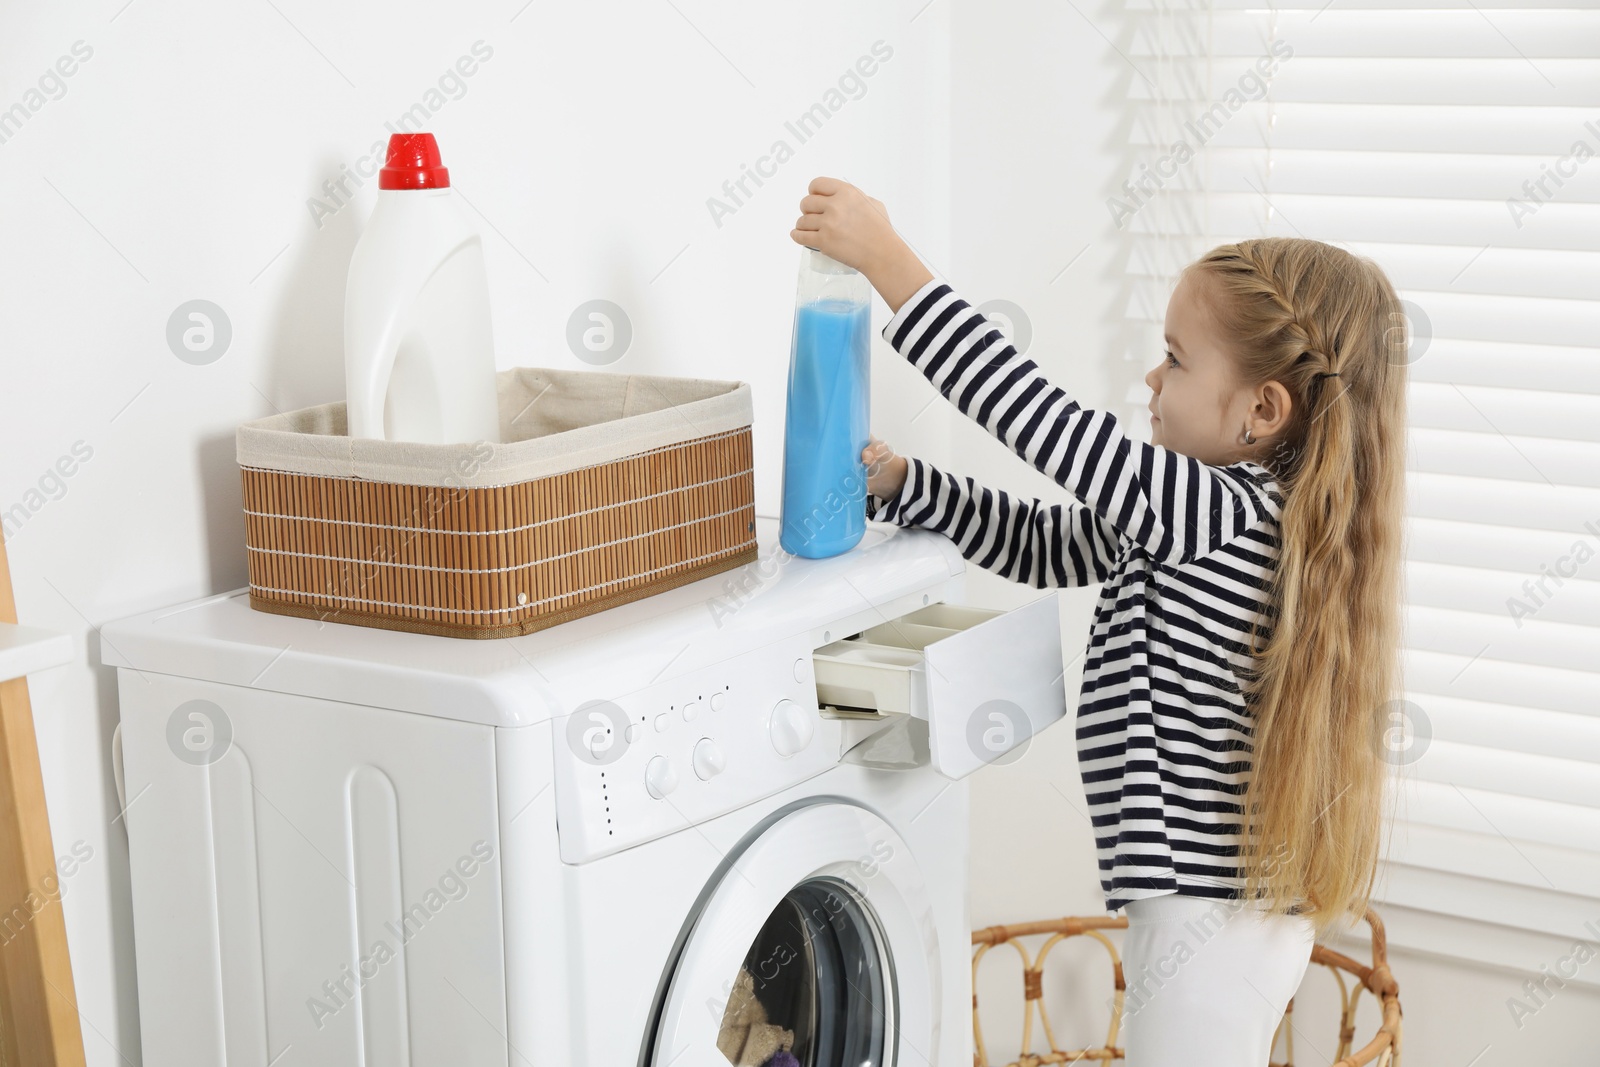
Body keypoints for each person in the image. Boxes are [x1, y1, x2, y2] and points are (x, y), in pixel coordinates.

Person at [790, 176, 1407, 1065]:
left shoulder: (1217, 511)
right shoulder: (1215, 517)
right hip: (1223, 912)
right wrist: (910, 487)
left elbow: (1036, 417)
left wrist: (890, 261)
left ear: (1261, 412)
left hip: (1209, 918)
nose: (1152, 378)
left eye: (1178, 360)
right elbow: (1049, 546)